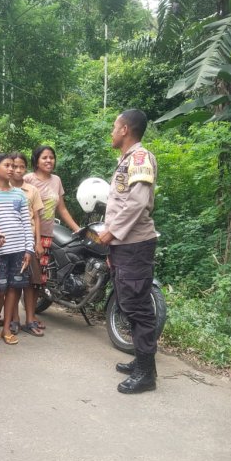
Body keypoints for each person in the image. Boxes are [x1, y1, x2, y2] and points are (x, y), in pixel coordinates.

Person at [98, 109, 159, 394]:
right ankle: (141, 362)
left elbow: (137, 202)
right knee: (129, 303)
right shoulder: (125, 160)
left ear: (124, 130)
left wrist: (111, 232)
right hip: (125, 245)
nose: (111, 132)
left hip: (135, 244)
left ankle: (147, 374)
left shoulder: (139, 157)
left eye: (114, 127)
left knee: (138, 307)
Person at [23, 145, 81, 333]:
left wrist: (78, 230)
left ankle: (31, 316)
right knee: (27, 277)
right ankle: (24, 319)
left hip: (48, 235)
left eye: (51, 157)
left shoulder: (56, 180)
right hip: (30, 234)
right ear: (36, 161)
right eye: (44, 158)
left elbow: (62, 209)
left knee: (39, 278)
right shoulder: (28, 179)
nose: (49, 161)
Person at [0, 154, 34, 345]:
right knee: (0, 289)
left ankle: (7, 327)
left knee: (14, 289)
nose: (11, 169)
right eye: (6, 165)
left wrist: (28, 249)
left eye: (13, 166)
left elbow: (26, 222)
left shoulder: (19, 194)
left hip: (18, 249)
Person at [8, 152, 44, 337]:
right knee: (14, 283)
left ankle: (30, 319)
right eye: (14, 166)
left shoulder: (32, 190)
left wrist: (38, 242)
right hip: (11, 242)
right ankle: (13, 319)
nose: (18, 170)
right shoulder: (2, 188)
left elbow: (37, 217)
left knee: (32, 283)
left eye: (22, 166)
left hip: (29, 241)